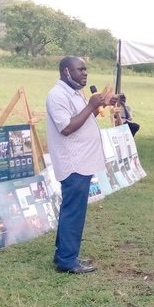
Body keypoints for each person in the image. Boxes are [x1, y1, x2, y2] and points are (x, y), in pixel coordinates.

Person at [45, 56, 113, 274]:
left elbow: (83, 119)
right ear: (66, 71)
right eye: (80, 70)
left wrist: (100, 105)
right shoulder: (57, 95)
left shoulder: (75, 93)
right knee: (73, 212)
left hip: (82, 160)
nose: (85, 73)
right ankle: (67, 260)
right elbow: (66, 127)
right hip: (72, 162)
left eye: (85, 70)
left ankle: (63, 253)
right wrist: (91, 105)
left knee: (71, 209)